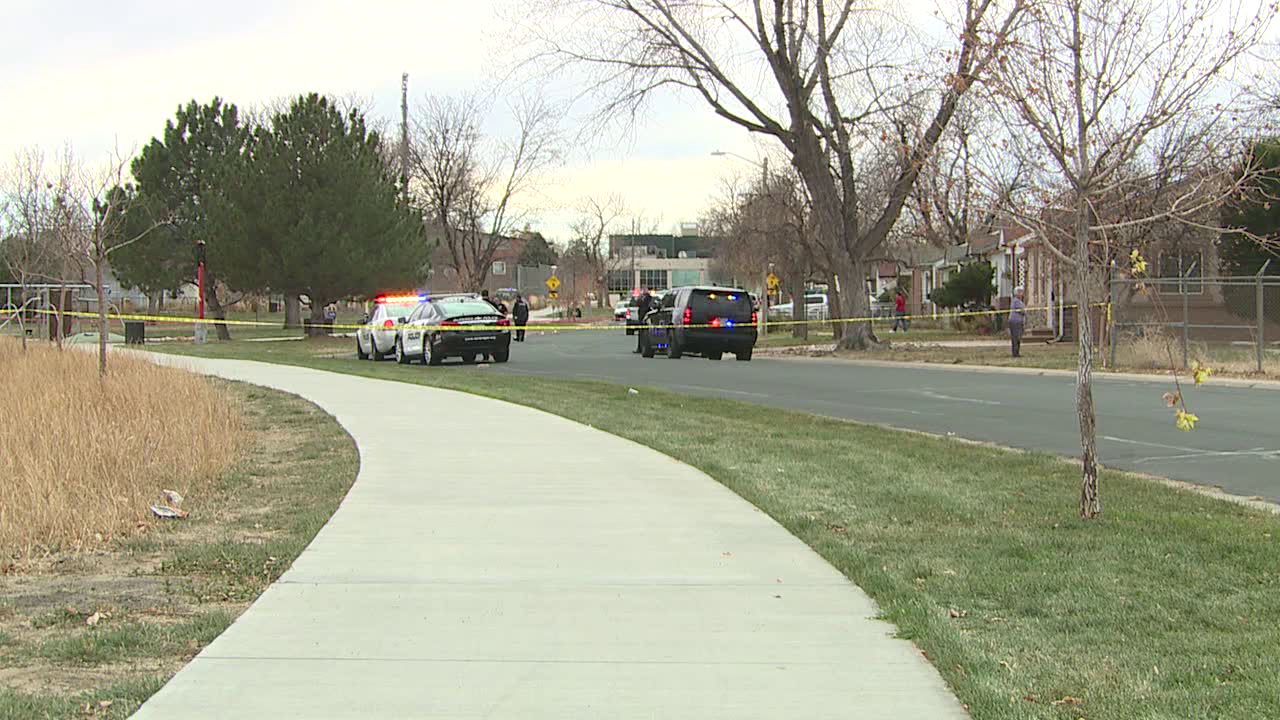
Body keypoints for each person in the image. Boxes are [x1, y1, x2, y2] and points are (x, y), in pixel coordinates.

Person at [480, 290, 509, 360]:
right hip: (492, 325)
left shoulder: (479, 304)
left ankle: (485, 356)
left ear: (481, 295)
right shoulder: (492, 304)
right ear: (488, 294)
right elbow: (498, 313)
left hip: (482, 326)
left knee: (483, 341)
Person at [633, 287, 653, 353]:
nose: (643, 291)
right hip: (641, 318)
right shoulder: (641, 298)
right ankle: (640, 348)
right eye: (643, 290)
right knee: (640, 334)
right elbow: (637, 304)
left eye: (645, 290)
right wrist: (639, 297)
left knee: (645, 334)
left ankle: (644, 348)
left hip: (646, 318)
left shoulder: (649, 298)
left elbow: (649, 306)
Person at [1009, 287, 1026, 358]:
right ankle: (1015, 353)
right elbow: (1020, 310)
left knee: (1018, 337)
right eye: (1021, 292)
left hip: (1019, 321)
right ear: (1017, 293)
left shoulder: (1020, 301)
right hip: (1015, 321)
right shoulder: (1015, 301)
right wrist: (1023, 311)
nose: (1022, 294)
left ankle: (1017, 352)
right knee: (1015, 337)